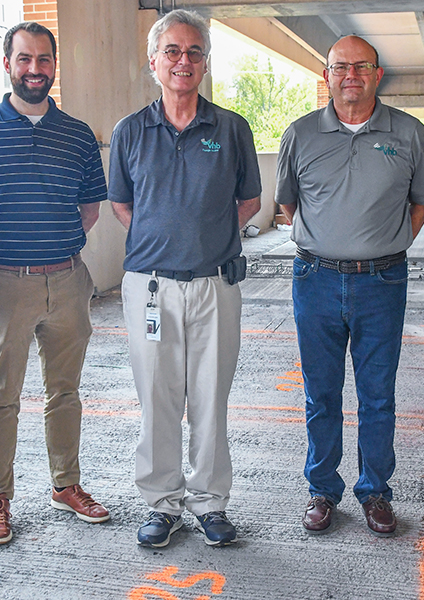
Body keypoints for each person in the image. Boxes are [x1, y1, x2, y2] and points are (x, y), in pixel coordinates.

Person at [107, 9, 261, 549]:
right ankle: (161, 504)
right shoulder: (130, 131)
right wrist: (165, 243)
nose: (183, 61)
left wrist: (206, 237)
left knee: (210, 398)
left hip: (216, 284)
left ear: (205, 63)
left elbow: (249, 201)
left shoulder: (231, 128)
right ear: (154, 61)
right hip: (150, 288)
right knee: (158, 397)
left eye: (194, 52)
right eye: (172, 51)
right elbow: (123, 205)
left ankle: (210, 503)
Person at [0, 22, 109, 546]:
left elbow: (90, 208)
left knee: (64, 393)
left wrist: (53, 249)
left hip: (67, 280)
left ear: (54, 65)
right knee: (1, 397)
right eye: (25, 59)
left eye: (44, 59)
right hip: (3, 286)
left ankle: (66, 485)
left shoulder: (78, 134)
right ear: (8, 64)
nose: (35, 69)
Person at [275, 35, 424, 537]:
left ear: (377, 74)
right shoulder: (300, 134)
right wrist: (329, 242)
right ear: (327, 74)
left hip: (382, 281)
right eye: (340, 67)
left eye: (360, 67)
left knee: (377, 395)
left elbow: (422, 202)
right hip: (315, 280)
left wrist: (384, 243)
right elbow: (287, 204)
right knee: (321, 394)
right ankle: (322, 490)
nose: (350, 75)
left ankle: (375, 492)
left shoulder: (409, 133)